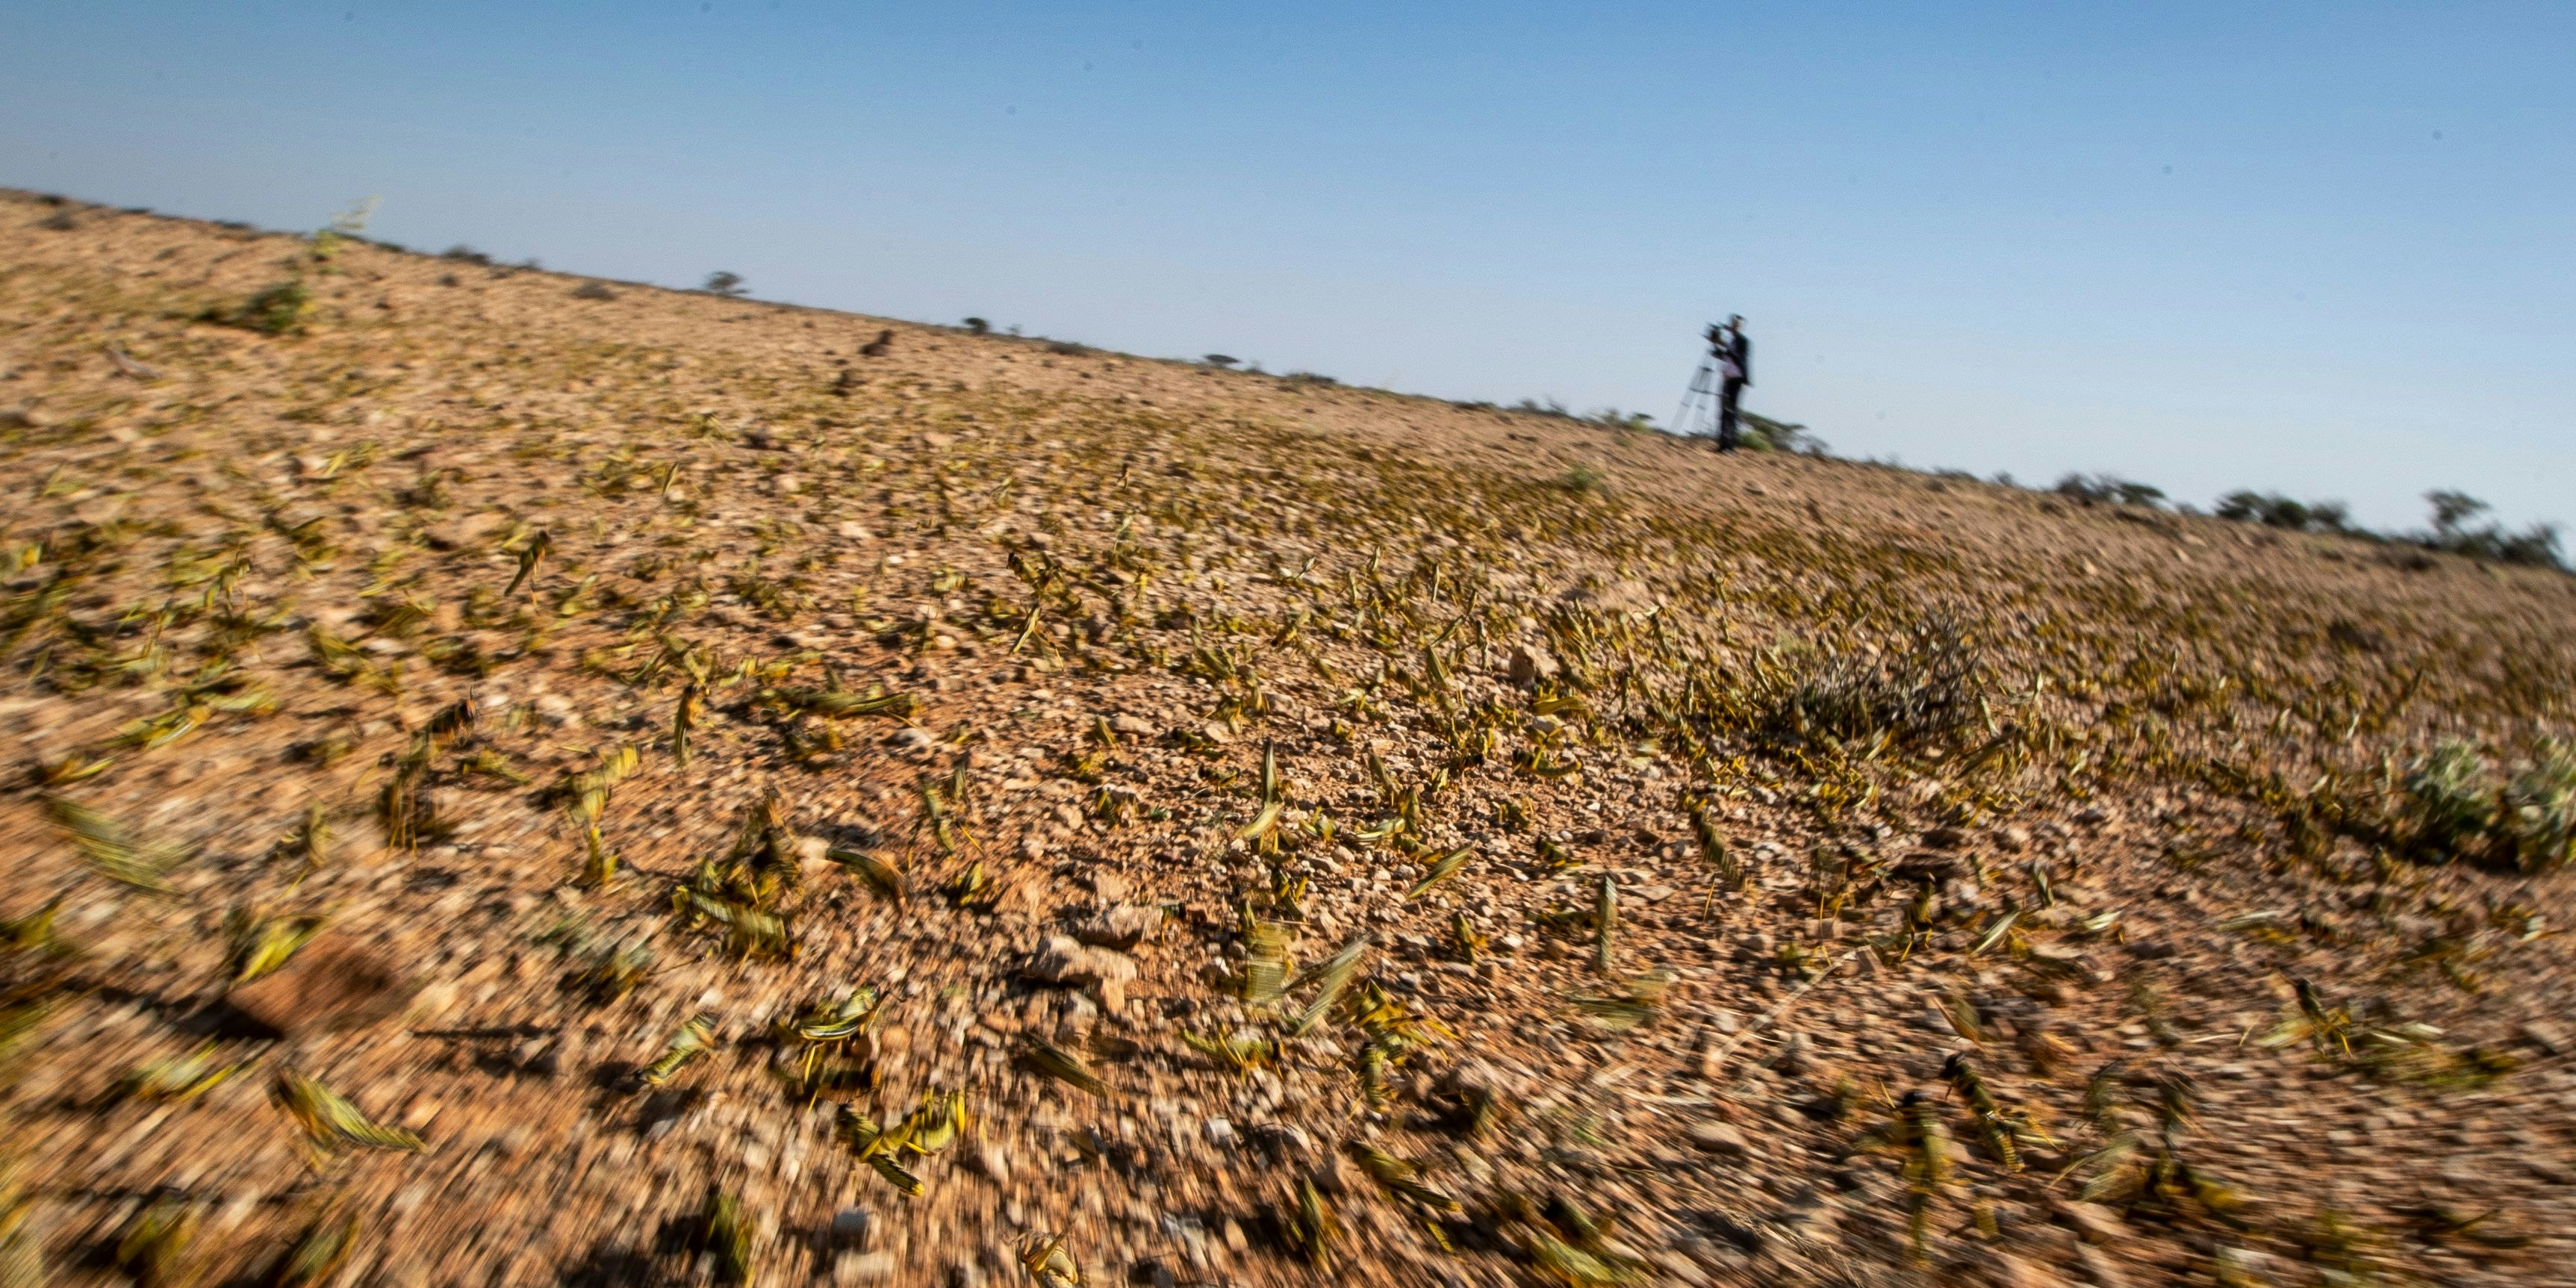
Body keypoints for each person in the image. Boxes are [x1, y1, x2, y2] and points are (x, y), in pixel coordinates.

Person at [1711, 314, 1751, 452]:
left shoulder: (1743, 342)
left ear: (1740, 327)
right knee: (1723, 411)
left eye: (1736, 325)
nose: (1733, 327)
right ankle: (1723, 444)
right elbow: (1727, 357)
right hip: (1727, 378)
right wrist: (1717, 350)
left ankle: (1730, 445)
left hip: (1736, 379)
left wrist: (1725, 346)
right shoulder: (1732, 342)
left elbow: (1739, 358)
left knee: (1731, 412)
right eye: (1733, 324)